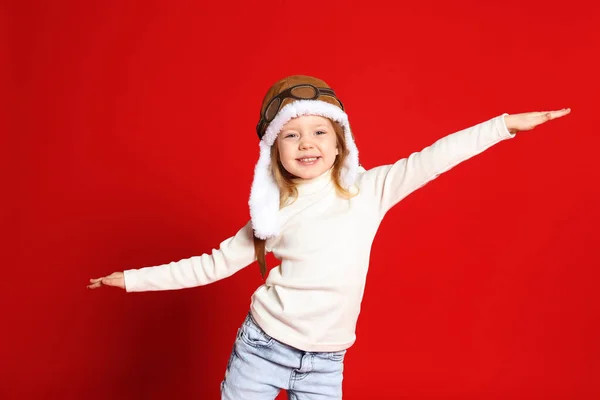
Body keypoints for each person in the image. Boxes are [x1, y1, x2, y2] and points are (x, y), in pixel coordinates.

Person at [87, 75, 570, 399]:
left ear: (341, 142)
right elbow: (212, 264)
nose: (308, 144)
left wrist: (503, 126)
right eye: (291, 136)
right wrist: (129, 279)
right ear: (274, 150)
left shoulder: (370, 190)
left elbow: (434, 157)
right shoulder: (272, 213)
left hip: (328, 360)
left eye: (320, 131)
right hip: (263, 347)